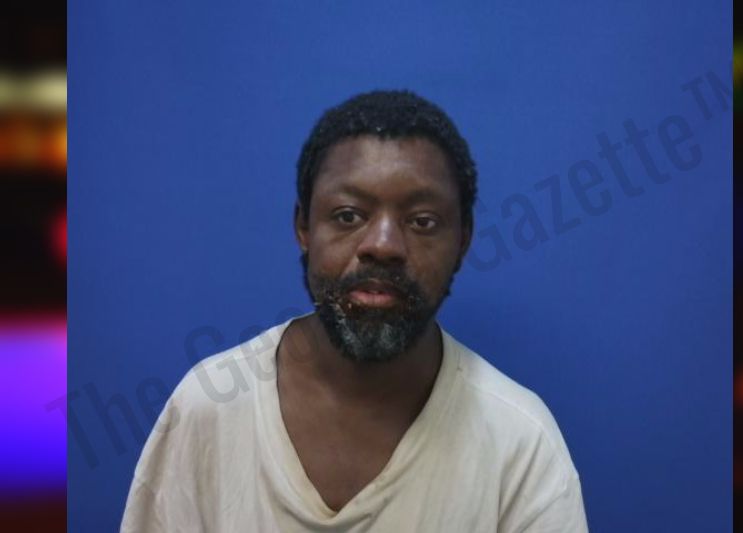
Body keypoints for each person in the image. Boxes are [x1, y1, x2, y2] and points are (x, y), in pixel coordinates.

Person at [121, 90, 589, 532]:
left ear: (462, 241)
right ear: (304, 227)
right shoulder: (208, 409)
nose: (383, 245)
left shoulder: (520, 445)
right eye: (348, 215)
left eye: (422, 221)